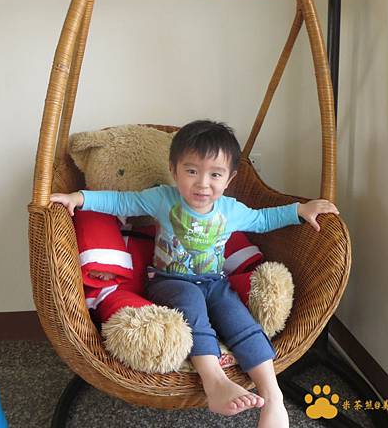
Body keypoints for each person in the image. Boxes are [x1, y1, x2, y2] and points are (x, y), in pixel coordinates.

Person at [51, 119, 338, 428]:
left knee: (238, 317)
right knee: (191, 303)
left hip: (215, 282)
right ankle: (214, 380)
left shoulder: (230, 210)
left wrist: (299, 210)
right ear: (174, 171)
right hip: (168, 282)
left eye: (215, 174)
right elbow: (121, 201)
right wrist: (79, 198)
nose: (203, 183)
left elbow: (263, 219)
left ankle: (273, 396)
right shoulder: (164, 198)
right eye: (192, 171)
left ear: (229, 179)